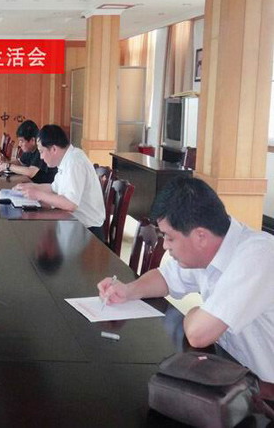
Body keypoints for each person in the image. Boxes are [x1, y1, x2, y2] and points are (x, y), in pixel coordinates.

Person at [97, 177, 273, 383]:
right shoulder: (208, 248)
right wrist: (128, 290)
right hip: (234, 372)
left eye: (169, 237)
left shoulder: (258, 256)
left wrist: (193, 311)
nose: (165, 246)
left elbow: (198, 335)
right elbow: (165, 277)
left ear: (200, 236)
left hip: (265, 388)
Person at [15, 124, 105, 239]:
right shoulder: (67, 159)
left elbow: (70, 204)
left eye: (41, 152)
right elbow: (54, 188)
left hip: (87, 232)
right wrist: (30, 187)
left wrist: (38, 194)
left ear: (53, 149)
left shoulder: (75, 162)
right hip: (72, 224)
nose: (41, 157)